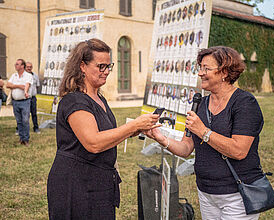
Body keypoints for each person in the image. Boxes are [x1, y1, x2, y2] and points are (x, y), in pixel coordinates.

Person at [145, 46, 264, 220]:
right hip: (206, 193)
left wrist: (203, 131)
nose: (200, 73)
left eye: (206, 68)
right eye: (199, 67)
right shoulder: (200, 104)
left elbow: (239, 150)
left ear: (224, 72)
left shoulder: (245, 103)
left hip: (237, 195)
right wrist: (161, 138)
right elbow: (186, 148)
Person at [47, 39, 160, 220]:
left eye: (109, 66)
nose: (106, 71)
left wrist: (135, 130)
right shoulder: (75, 101)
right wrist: (133, 125)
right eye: (101, 66)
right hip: (75, 185)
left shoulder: (99, 98)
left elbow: (105, 134)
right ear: (82, 66)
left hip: (97, 182)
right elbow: (93, 143)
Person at [7, 59, 33, 146]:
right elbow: (7, 85)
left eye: (17, 64)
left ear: (22, 66)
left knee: (25, 120)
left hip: (25, 101)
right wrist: (18, 86)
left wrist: (24, 91)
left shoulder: (28, 76)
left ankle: (26, 139)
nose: (15, 65)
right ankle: (21, 138)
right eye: (16, 64)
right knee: (19, 121)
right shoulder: (14, 76)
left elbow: (27, 85)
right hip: (15, 102)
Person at [26, 62, 41, 133]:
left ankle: (36, 128)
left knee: (34, 113)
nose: (29, 68)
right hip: (25, 98)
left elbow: (37, 86)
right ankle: (20, 129)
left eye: (30, 67)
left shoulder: (35, 76)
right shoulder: (23, 76)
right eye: (27, 67)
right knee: (24, 114)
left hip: (33, 98)